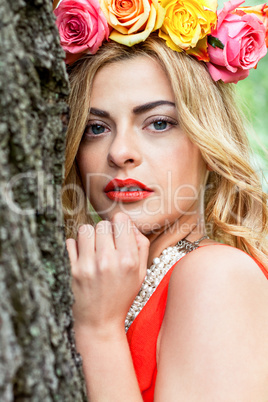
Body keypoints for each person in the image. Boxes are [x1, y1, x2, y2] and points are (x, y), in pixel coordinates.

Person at [54, 0, 268, 400]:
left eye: (158, 123)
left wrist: (98, 331)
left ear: (207, 141)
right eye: (96, 128)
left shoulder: (217, 276)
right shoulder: (106, 284)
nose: (120, 152)